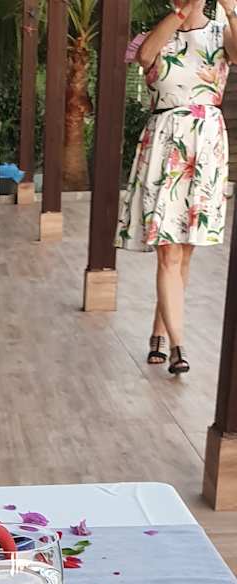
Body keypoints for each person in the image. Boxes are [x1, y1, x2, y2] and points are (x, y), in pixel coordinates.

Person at [117, 0, 236, 375]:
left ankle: (159, 332)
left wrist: (232, 10)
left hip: (205, 148)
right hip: (166, 145)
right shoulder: (153, 36)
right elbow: (146, 57)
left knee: (183, 254)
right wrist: (182, 13)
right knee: (168, 252)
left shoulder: (220, 33)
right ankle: (178, 346)